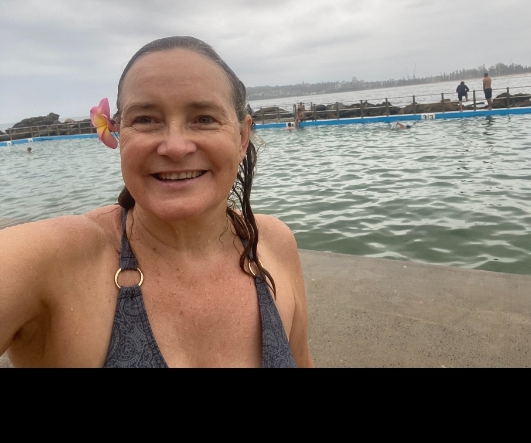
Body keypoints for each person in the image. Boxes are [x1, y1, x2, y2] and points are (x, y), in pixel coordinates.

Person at [0, 36, 313, 368]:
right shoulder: (50, 261)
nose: (175, 147)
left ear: (242, 137)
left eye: (204, 118)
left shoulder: (274, 244)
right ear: (119, 134)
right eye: (146, 120)